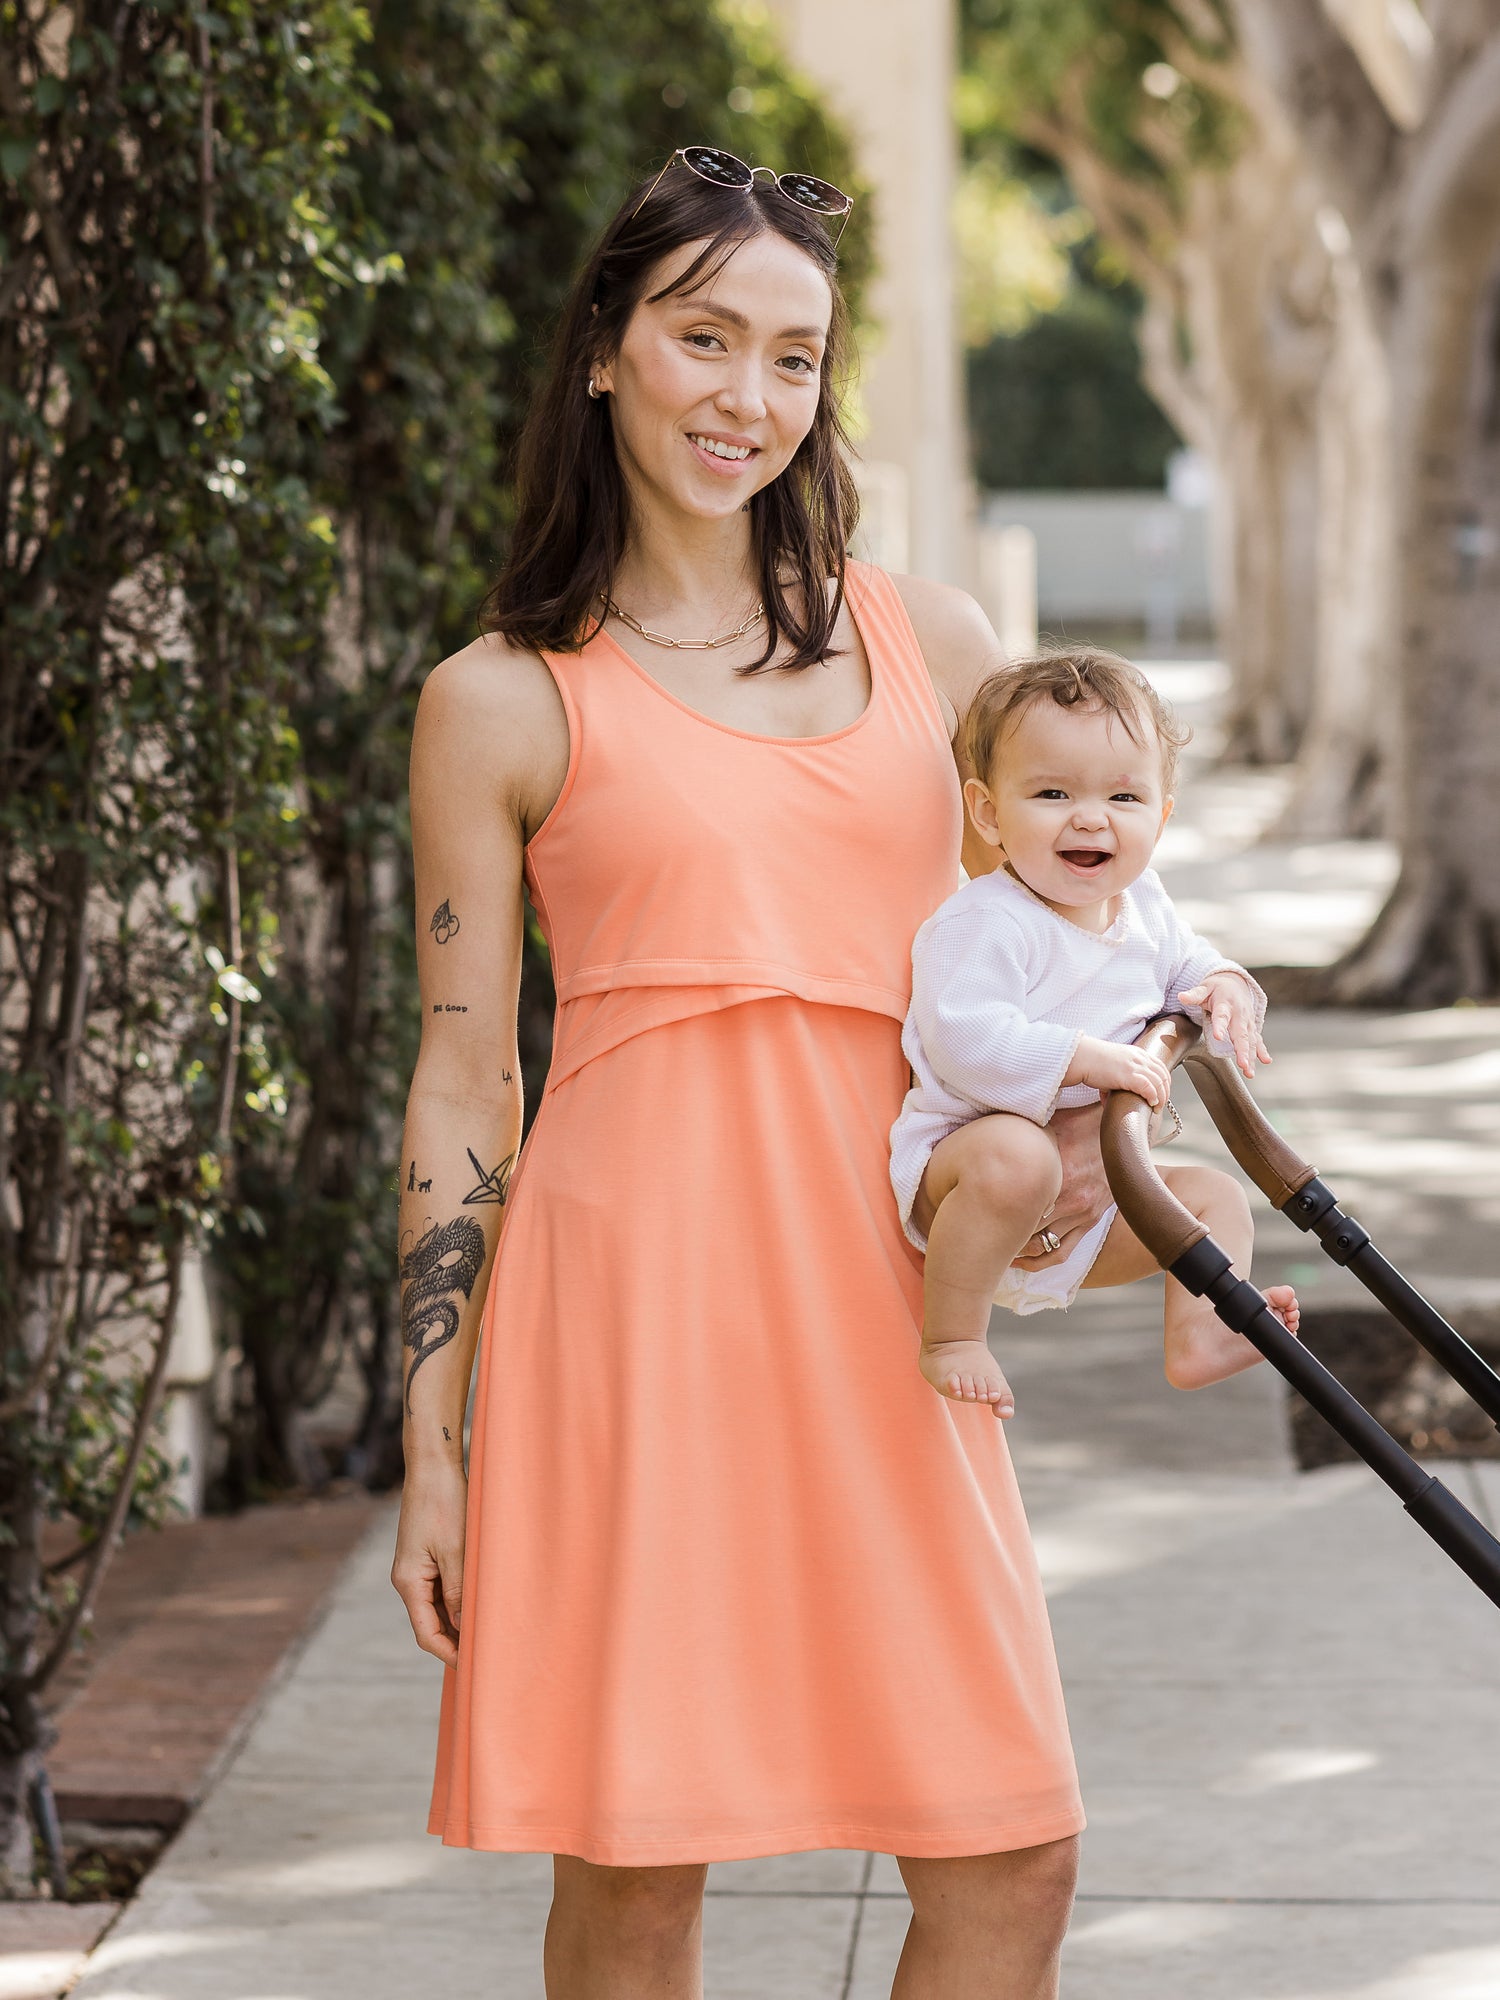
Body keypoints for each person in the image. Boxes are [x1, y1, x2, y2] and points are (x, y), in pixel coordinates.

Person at [391, 144, 1098, 2000]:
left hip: (885, 1301)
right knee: (637, 1869)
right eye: (707, 339)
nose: (751, 397)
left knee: (1012, 1852)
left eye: (795, 357)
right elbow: (467, 1082)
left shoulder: (929, 644)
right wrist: (431, 1436)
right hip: (631, 1310)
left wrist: (1111, 1152)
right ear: (608, 351)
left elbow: (1032, 957)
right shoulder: (505, 695)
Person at [890, 649, 1301, 1419]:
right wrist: (1084, 1059)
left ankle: (1198, 1339)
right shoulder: (985, 921)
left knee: (1215, 1199)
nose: (1090, 816)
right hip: (973, 1178)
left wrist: (1228, 985)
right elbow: (962, 1038)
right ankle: (951, 1337)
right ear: (987, 813)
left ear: (1162, 814)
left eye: (1123, 796)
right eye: (1051, 792)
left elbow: (1190, 963)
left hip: (1099, 1206)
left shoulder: (1143, 902)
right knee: (1018, 1156)